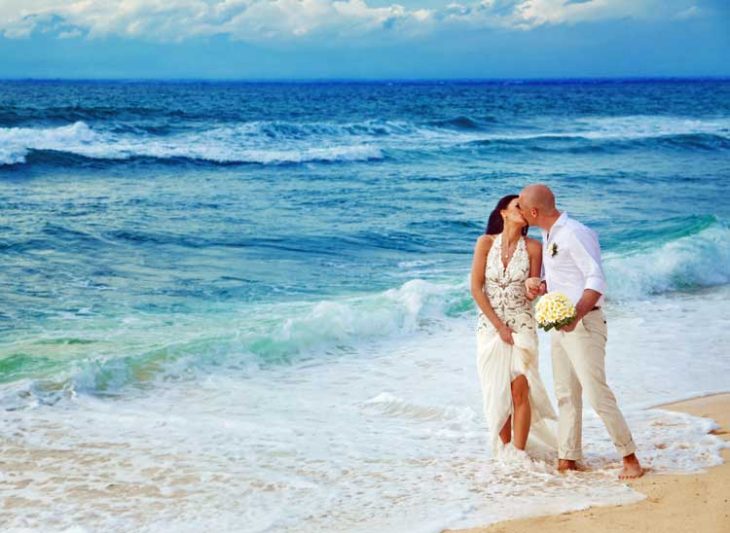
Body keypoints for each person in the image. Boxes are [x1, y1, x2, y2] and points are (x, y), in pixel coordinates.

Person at [519, 183, 644, 479]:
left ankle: (630, 457)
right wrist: (542, 286)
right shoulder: (549, 234)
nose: (520, 212)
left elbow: (596, 279)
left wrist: (576, 315)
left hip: (584, 322)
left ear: (534, 211)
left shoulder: (574, 233)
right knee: (565, 393)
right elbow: (567, 279)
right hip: (561, 325)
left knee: (596, 392)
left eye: (522, 207)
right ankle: (568, 458)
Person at [470, 194, 557, 455]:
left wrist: (535, 289)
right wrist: (499, 327)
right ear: (503, 213)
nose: (524, 209)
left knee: (520, 389)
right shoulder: (485, 243)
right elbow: (476, 288)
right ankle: (504, 451)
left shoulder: (533, 247)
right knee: (497, 391)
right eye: (517, 206)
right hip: (490, 328)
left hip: (522, 325)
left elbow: (532, 289)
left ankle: (518, 455)